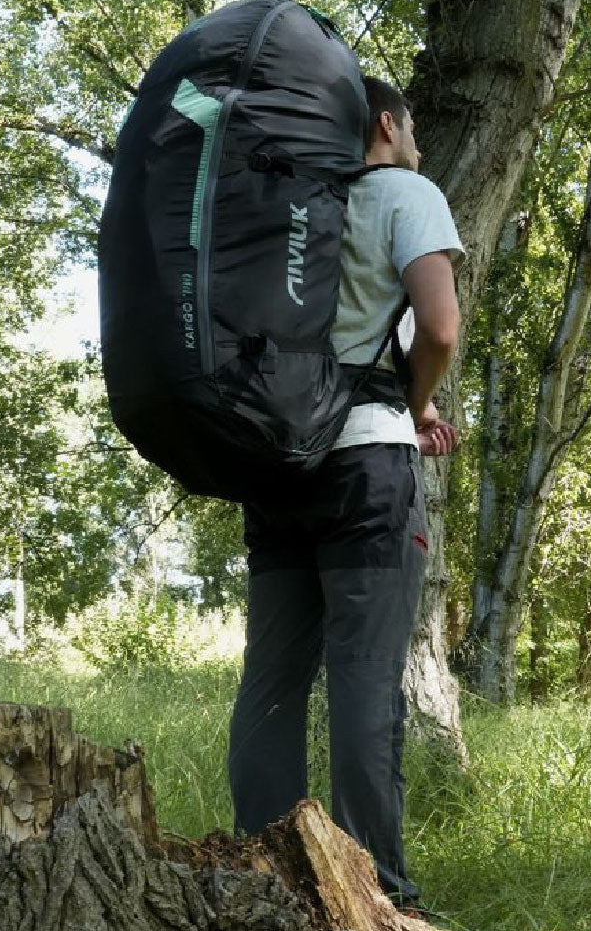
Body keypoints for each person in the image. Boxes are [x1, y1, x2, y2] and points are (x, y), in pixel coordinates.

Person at [228, 75, 464, 910]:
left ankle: (265, 881)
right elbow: (439, 327)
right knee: (363, 682)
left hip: (276, 464)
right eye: (413, 128)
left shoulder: (287, 205)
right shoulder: (406, 192)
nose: (417, 144)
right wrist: (412, 404)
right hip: (367, 468)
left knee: (272, 684)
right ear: (387, 124)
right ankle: (377, 898)